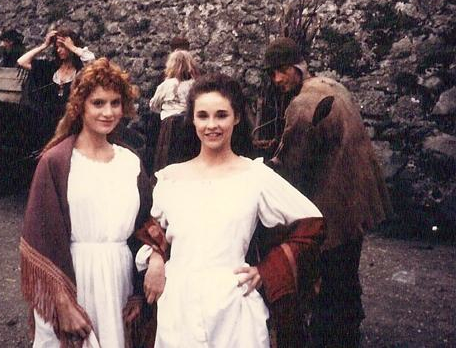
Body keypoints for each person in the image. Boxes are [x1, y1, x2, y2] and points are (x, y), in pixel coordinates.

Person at [136, 73, 324, 348]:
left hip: (233, 307)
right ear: (193, 120)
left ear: (236, 117)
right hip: (178, 306)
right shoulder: (170, 178)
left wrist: (267, 270)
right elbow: (153, 229)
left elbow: (312, 223)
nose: (211, 125)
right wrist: (154, 258)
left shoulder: (255, 176)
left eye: (221, 115)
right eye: (203, 116)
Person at [264, 37, 391, 347]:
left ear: (297, 68)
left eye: (281, 71)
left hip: (336, 205)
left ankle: (332, 337)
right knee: (346, 273)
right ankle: (348, 331)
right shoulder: (332, 85)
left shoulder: (302, 104)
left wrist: (262, 172)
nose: (277, 80)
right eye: (272, 73)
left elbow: (291, 167)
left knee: (331, 280)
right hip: (359, 198)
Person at [19, 58, 152, 347]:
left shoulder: (130, 162)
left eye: (115, 103)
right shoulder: (56, 162)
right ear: (81, 106)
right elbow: (40, 237)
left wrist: (138, 291)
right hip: (72, 279)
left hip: (118, 283)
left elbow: (145, 229)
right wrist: (61, 303)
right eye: (98, 103)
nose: (108, 112)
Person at [17, 28, 95, 145]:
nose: (59, 50)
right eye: (57, 47)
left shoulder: (81, 71)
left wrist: (72, 47)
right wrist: (44, 45)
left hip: (71, 126)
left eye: (63, 46)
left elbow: (92, 62)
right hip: (47, 126)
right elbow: (22, 61)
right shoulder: (50, 68)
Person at [149, 49, 201, 172]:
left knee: (168, 158)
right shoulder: (195, 84)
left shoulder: (167, 85)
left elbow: (154, 105)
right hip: (190, 124)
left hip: (170, 125)